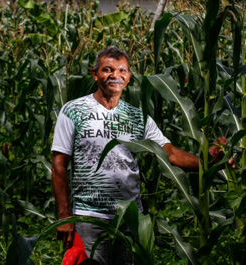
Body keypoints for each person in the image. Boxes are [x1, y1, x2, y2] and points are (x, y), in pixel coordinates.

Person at [50, 46, 232, 265]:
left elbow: (171, 154)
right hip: (89, 218)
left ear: (128, 77)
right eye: (108, 69)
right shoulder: (74, 110)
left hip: (129, 217)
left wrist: (211, 163)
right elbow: (59, 165)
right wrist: (64, 216)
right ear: (95, 73)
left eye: (122, 71)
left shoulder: (138, 117)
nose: (115, 76)